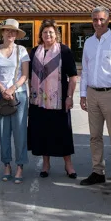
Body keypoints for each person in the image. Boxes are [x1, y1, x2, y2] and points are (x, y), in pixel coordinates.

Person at [79, 7, 111, 191]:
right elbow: (84, 70)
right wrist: (83, 95)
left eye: (101, 19)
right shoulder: (89, 43)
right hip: (92, 93)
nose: (98, 23)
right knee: (95, 136)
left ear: (108, 20)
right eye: (94, 20)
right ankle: (98, 172)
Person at [27, 20, 78, 179]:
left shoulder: (64, 51)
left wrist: (69, 97)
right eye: (44, 32)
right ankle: (46, 164)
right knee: (42, 133)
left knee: (63, 133)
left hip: (59, 101)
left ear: (56, 34)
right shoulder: (35, 51)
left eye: (51, 32)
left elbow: (73, 76)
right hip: (38, 102)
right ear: (40, 35)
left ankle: (68, 165)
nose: (48, 35)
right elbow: (29, 76)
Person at [0, 19, 30, 183]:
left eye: (13, 31)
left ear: (17, 34)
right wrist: (3, 90)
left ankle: (20, 165)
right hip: (0, 96)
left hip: (19, 95)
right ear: (2, 33)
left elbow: (25, 75)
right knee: (3, 133)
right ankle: (6, 164)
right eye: (7, 30)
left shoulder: (22, 51)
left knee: (20, 132)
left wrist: (12, 89)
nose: (10, 33)